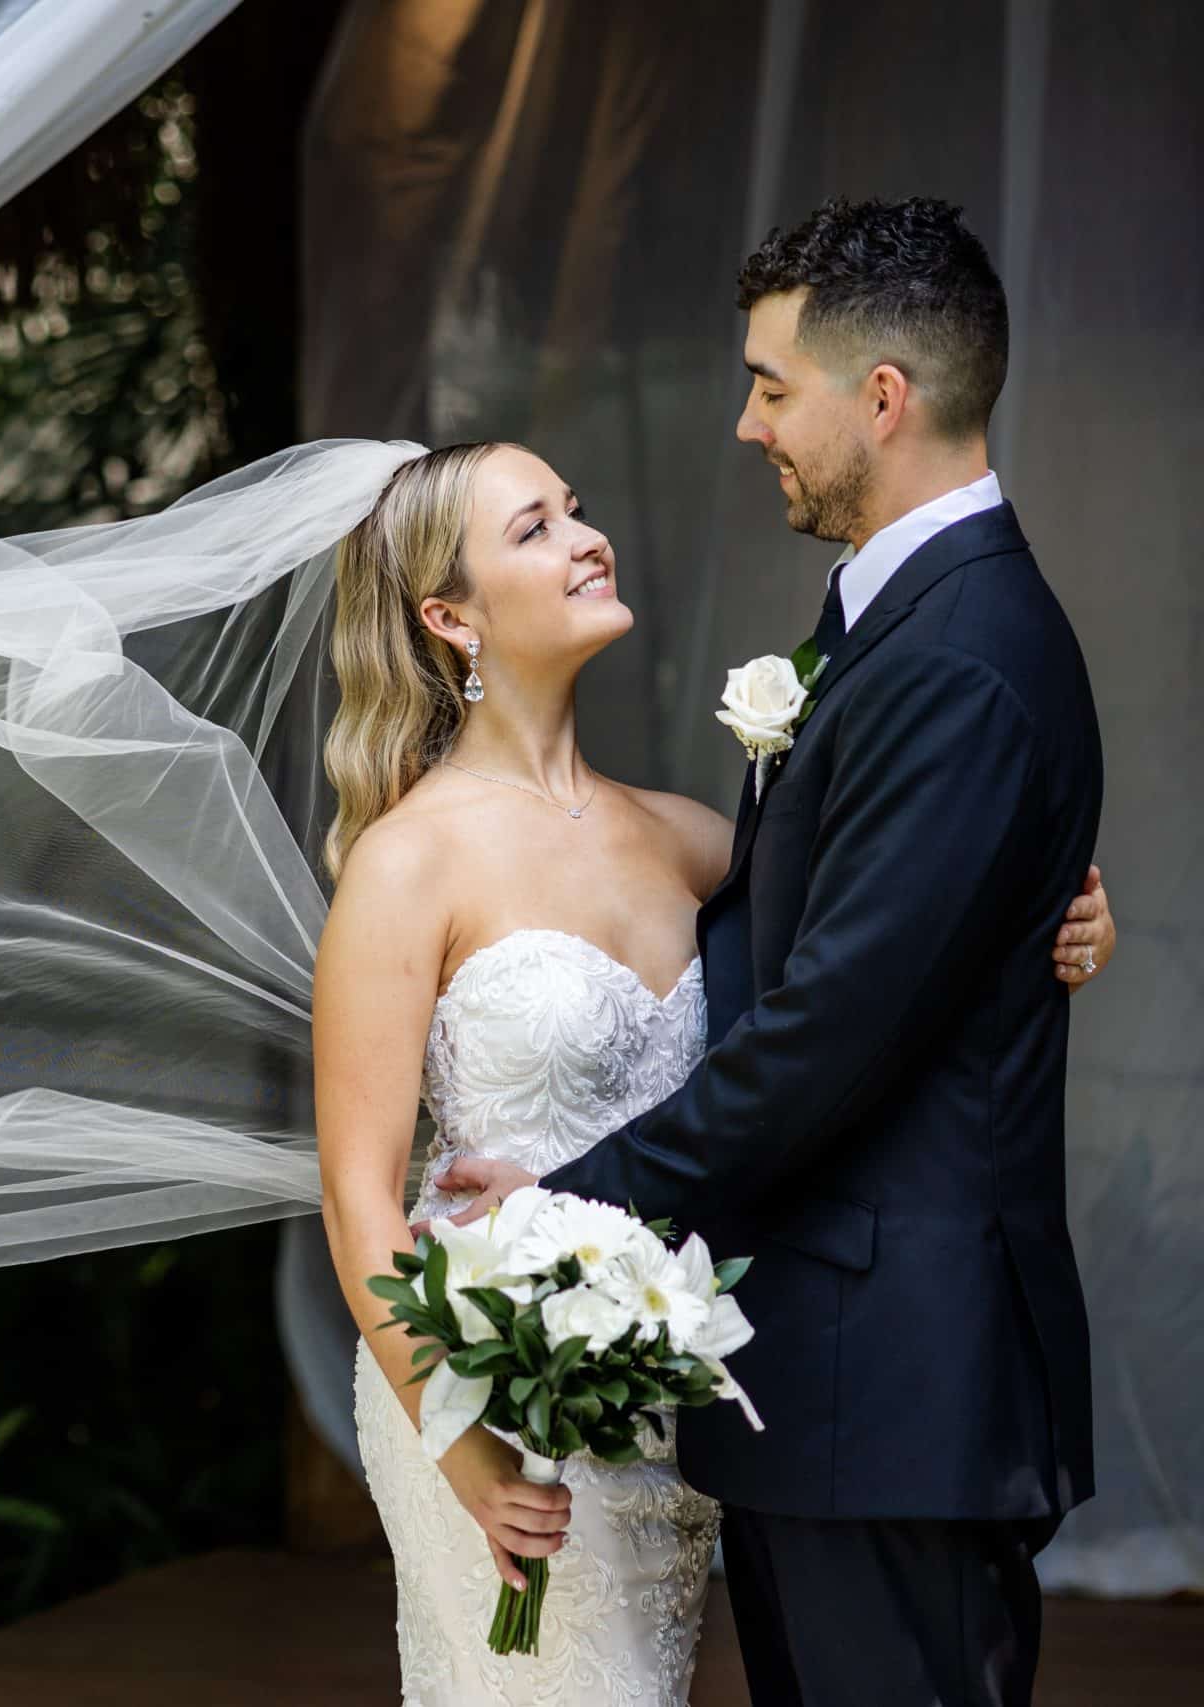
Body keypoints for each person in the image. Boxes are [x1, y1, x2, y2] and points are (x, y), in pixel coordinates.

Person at [318, 197, 1111, 1705]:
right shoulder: (411, 862)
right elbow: (358, 1189)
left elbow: (837, 1009)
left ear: (881, 398)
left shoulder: (703, 822)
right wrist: (459, 1430)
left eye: (768, 387)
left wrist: (1047, 915)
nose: (746, 427)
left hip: (803, 1398)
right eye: (535, 527)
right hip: (579, 1403)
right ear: (449, 618)